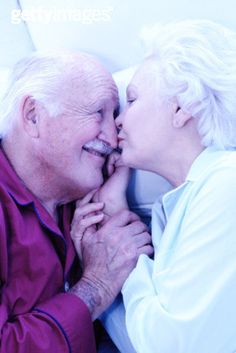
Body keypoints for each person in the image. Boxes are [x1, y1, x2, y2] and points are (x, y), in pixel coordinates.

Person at [78, 20, 236, 352]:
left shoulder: (227, 182)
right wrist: (112, 224)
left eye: (132, 101)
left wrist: (123, 256)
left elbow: (167, 345)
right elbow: (141, 341)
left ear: (181, 107)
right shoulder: (174, 207)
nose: (117, 122)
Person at [0, 51, 153, 353]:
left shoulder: (83, 205)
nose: (112, 139)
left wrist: (112, 204)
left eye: (115, 116)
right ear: (33, 116)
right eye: (98, 113)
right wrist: (95, 286)